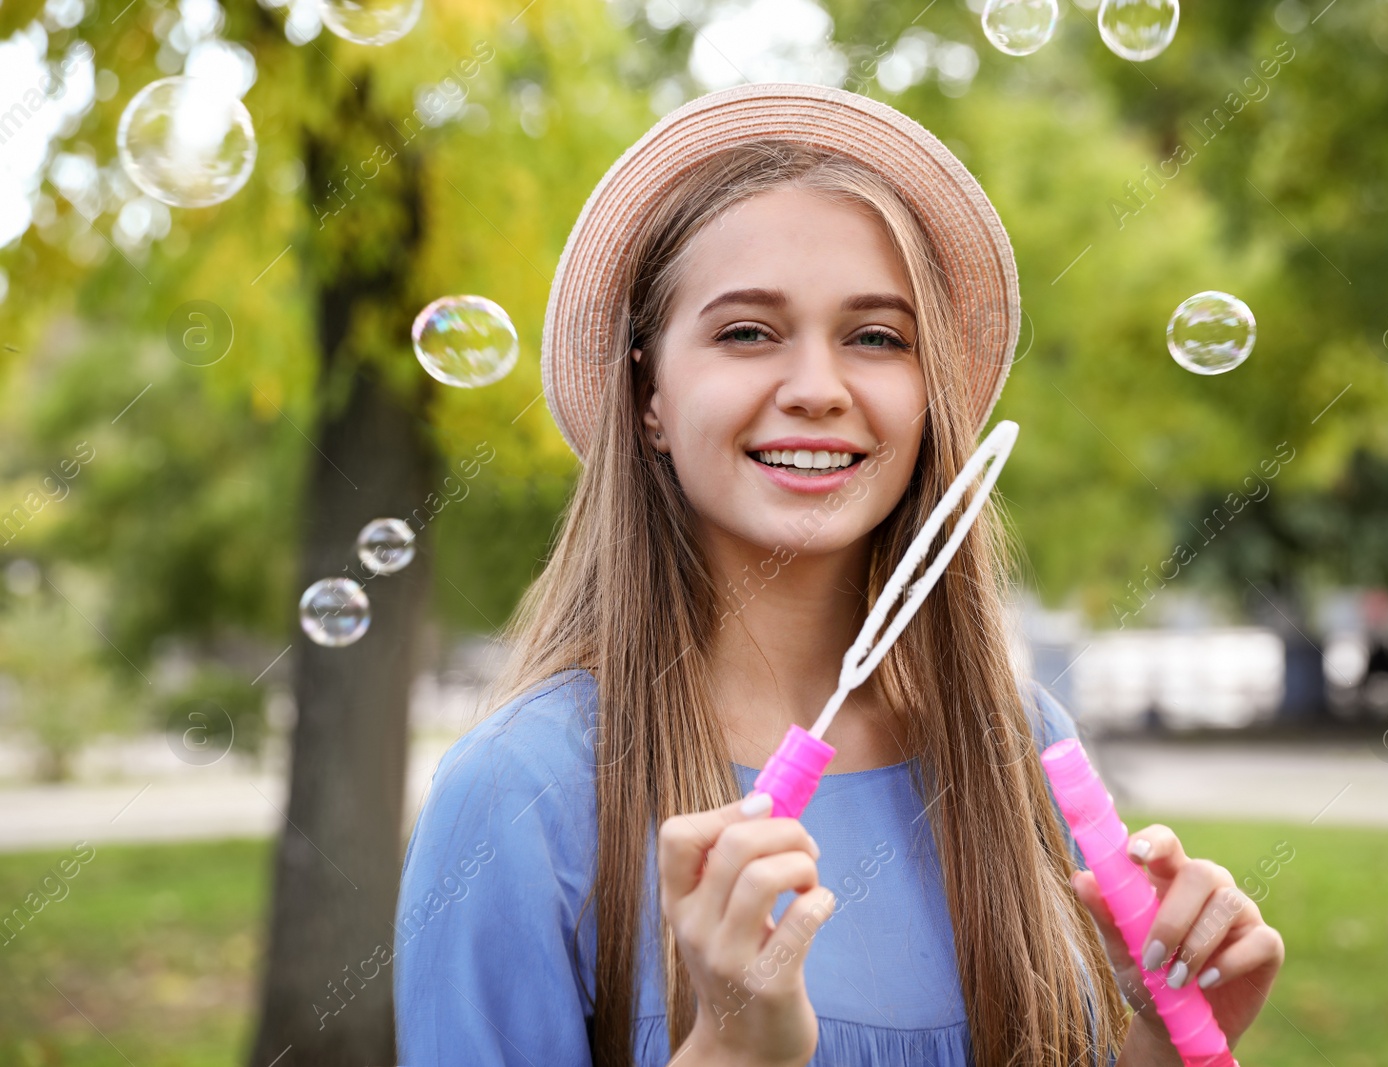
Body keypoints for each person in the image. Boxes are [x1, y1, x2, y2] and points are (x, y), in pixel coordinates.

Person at [394, 82, 1284, 1067]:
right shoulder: (519, 793)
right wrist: (730, 1050)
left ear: (925, 393)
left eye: (875, 336)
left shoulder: (1023, 744)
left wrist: (1159, 1043)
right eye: (746, 331)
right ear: (647, 393)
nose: (818, 388)